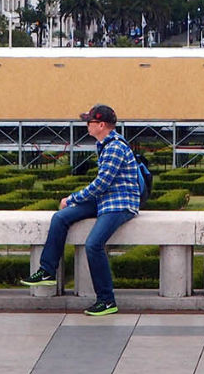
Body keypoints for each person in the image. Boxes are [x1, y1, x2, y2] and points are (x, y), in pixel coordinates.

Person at [20, 104, 140, 316]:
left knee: (93, 244)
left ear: (101, 125)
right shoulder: (104, 144)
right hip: (105, 200)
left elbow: (101, 184)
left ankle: (106, 300)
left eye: (90, 122)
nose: (86, 125)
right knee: (60, 218)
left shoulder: (114, 147)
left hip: (120, 204)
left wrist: (72, 198)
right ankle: (47, 271)